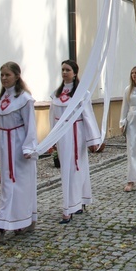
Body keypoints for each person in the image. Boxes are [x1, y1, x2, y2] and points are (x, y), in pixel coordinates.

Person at [0, 62, 37, 243]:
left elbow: (30, 125)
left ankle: (18, 222)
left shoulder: (24, 99)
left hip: (20, 149)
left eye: (7, 75)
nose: (4, 78)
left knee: (22, 185)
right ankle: (5, 225)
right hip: (6, 148)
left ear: (16, 76)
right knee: (8, 187)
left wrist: (29, 147)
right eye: (2, 75)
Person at [50, 60, 102, 223]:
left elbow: (88, 116)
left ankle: (71, 207)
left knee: (77, 168)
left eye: (67, 70)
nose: (64, 72)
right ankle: (77, 201)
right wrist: (51, 139)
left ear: (75, 72)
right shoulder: (56, 94)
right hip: (62, 136)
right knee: (68, 170)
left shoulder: (81, 93)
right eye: (63, 70)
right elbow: (53, 117)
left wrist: (93, 139)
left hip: (76, 134)